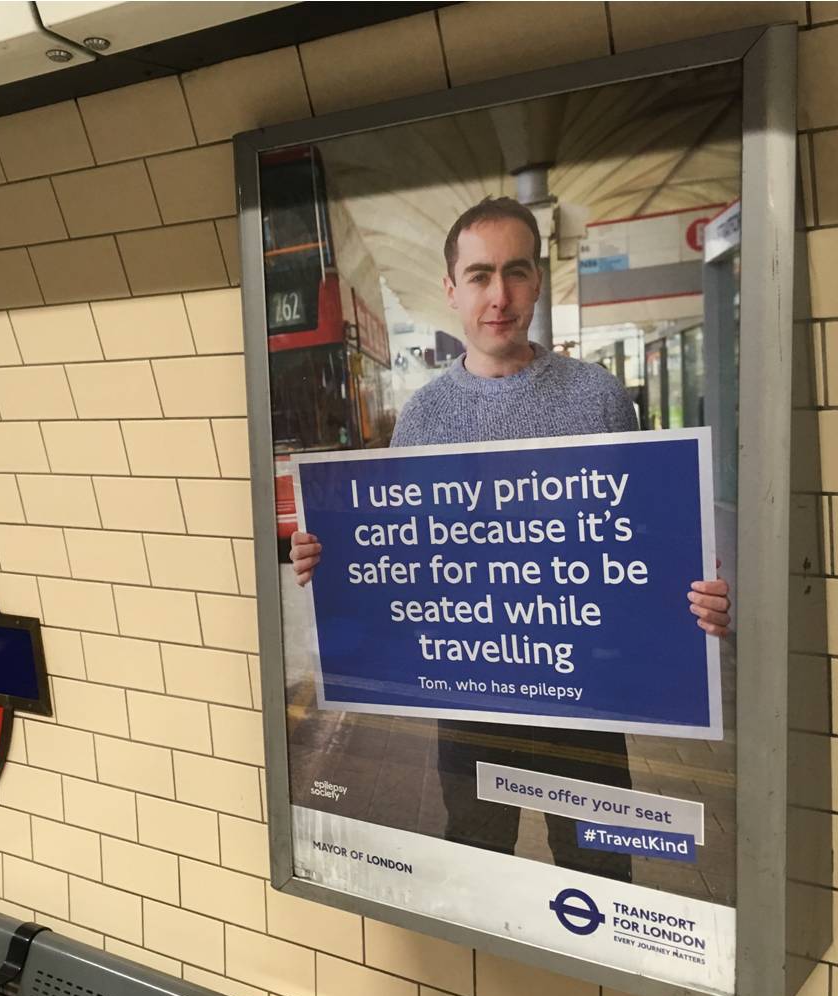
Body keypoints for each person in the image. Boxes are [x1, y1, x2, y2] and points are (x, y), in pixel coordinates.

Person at [290, 196, 730, 881]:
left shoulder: (599, 398)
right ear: (451, 289)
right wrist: (339, 564)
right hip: (469, 697)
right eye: (480, 275)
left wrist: (697, 596)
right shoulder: (422, 419)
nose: (499, 295)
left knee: (599, 866)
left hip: (585, 693)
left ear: (538, 281)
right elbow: (407, 561)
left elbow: (643, 541)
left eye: (516, 272)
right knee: (476, 855)